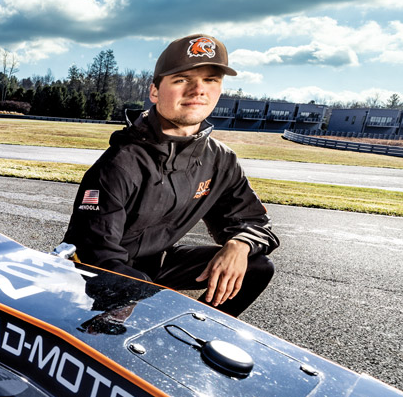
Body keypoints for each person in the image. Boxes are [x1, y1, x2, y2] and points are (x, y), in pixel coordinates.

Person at [63, 34, 278, 317]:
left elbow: (254, 222)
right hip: (97, 273)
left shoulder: (220, 159)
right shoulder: (120, 163)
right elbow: (94, 251)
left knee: (256, 265)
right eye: (182, 80)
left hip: (158, 263)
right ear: (154, 92)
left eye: (210, 80)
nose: (198, 90)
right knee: (129, 297)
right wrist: (145, 300)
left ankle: (199, 331)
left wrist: (240, 243)